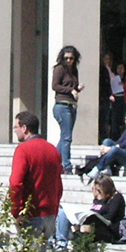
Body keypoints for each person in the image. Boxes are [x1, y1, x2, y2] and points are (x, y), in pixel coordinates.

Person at [9, 109, 63, 242]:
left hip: (30, 215)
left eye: (16, 127)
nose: (15, 131)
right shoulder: (53, 150)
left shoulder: (23, 150)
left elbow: (15, 184)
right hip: (50, 214)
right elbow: (58, 185)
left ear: (24, 128)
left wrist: (16, 212)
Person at [74, 109, 126, 178]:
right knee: (107, 141)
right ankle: (107, 167)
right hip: (125, 153)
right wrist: (106, 148)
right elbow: (119, 142)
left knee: (115, 149)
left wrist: (110, 149)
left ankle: (98, 169)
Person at [50, 45, 84, 173]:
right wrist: (71, 90)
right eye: (66, 58)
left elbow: (73, 88)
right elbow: (55, 86)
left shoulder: (74, 71)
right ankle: (66, 165)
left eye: (71, 58)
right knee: (67, 136)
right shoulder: (59, 69)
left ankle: (54, 160)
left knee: (65, 136)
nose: (69, 61)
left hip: (72, 105)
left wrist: (78, 89)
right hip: (62, 105)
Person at [76, 175, 126, 244]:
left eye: (99, 191)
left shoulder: (116, 198)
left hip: (111, 230)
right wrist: (98, 199)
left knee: (92, 218)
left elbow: (110, 217)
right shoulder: (99, 198)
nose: (97, 192)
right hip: (97, 227)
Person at [100, 52, 125, 137]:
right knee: (105, 119)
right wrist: (108, 94)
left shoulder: (111, 70)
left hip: (116, 96)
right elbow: (104, 84)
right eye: (105, 59)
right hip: (106, 98)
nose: (107, 61)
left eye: (109, 59)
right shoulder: (102, 70)